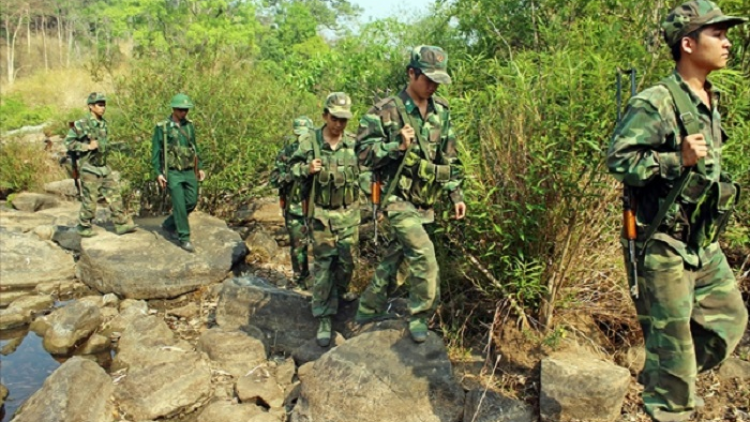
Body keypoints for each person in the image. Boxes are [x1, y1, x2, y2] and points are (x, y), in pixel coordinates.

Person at [607, 2, 747, 420]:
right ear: (688, 44)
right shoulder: (656, 102)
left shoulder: (708, 96)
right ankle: (669, 394)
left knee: (729, 323)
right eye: (716, 34)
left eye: (726, 33)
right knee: (675, 371)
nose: (726, 41)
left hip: (702, 244)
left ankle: (667, 372)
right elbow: (619, 161)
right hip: (662, 244)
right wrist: (675, 160)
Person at [355, 45, 466, 343]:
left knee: (395, 259)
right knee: (423, 255)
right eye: (427, 79)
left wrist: (456, 195)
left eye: (437, 81)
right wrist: (396, 147)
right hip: (396, 200)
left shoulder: (441, 112)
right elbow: (362, 155)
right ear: (411, 73)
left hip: (425, 201)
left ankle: (367, 308)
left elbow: (449, 158)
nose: (432, 86)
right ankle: (420, 316)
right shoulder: (385, 111)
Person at [289, 93, 360, 347]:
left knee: (346, 265)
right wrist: (306, 169)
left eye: (343, 119)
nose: (339, 124)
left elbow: (369, 170)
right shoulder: (310, 143)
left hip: (349, 215)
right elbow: (289, 170)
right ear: (324, 116)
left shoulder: (354, 143)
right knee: (323, 267)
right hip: (321, 216)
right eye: (334, 118)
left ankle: (338, 296)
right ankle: (324, 317)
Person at [64, 92, 137, 237]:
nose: (103, 107)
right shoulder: (81, 124)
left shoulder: (104, 123)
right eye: (99, 105)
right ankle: (83, 226)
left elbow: (104, 144)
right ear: (91, 106)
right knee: (90, 202)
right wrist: (87, 147)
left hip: (103, 166)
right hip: (89, 168)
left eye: (104, 105)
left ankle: (121, 224)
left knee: (115, 196)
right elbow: (68, 143)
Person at [151, 93, 206, 253]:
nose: (184, 112)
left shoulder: (189, 126)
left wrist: (200, 167)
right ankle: (184, 238)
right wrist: (158, 172)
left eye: (186, 110)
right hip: (173, 172)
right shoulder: (162, 127)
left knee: (191, 201)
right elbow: (156, 152)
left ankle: (169, 224)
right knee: (180, 204)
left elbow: (194, 148)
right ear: (174, 109)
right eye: (181, 109)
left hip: (189, 170)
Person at [270, 116, 315, 287]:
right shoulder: (286, 153)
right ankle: (301, 280)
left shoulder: (318, 151)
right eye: (298, 135)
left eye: (304, 135)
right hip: (295, 207)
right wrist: (292, 175)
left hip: (318, 206)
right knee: (298, 247)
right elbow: (274, 179)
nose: (300, 139)